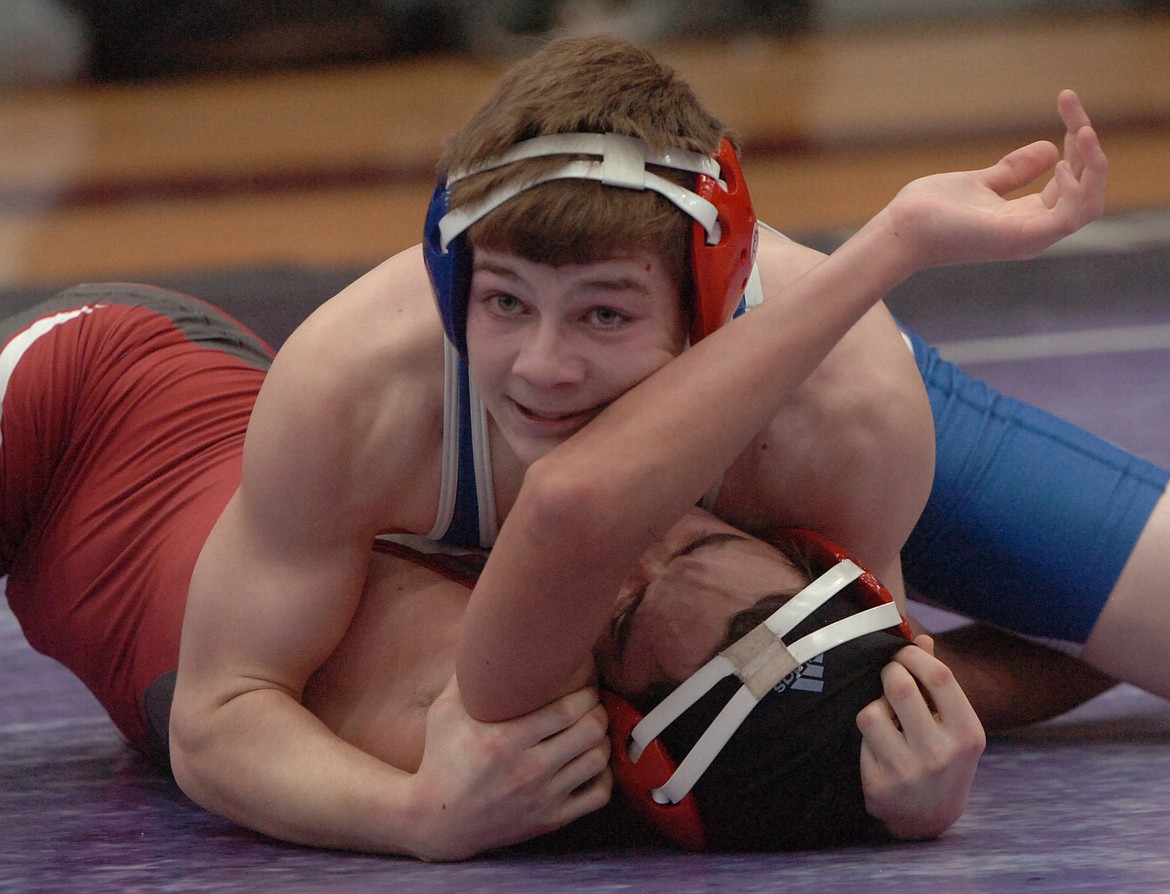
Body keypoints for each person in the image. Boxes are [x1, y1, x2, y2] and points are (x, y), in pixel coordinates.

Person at [168, 32, 1114, 858]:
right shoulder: (358, 386)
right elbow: (216, 718)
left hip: (807, 425)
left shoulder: (844, 408)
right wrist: (411, 817)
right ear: (451, 277)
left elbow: (835, 684)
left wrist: (918, 785)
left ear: (706, 307)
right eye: (504, 301)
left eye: (604, 314)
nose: (542, 368)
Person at [0, 283, 978, 859]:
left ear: (621, 724)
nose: (635, 548)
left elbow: (211, 742)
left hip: (129, 449)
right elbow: (910, 688)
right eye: (699, 538)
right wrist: (914, 767)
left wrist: (420, 815)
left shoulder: (499, 732)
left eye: (623, 613)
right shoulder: (638, 529)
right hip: (109, 387)